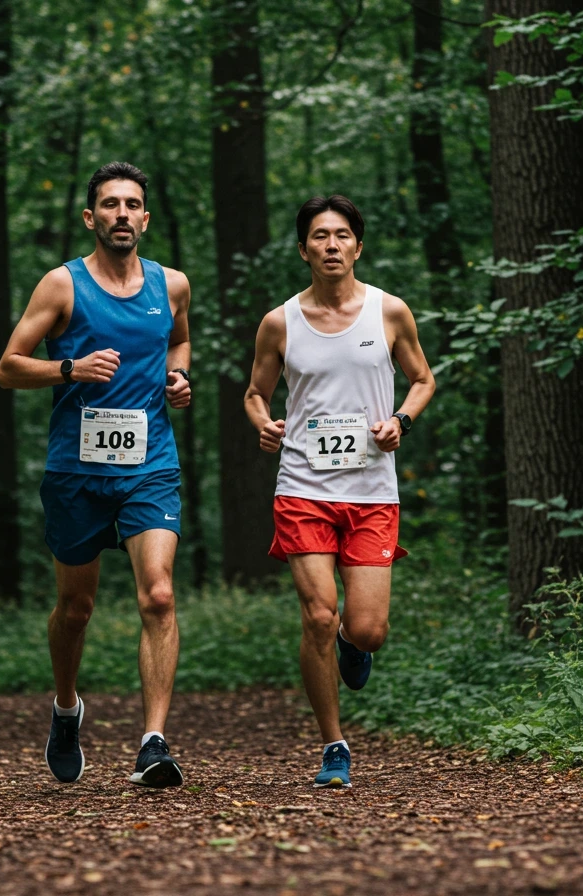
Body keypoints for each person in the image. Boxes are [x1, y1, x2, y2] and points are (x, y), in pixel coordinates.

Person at [0, 162, 191, 788]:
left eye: (132, 204)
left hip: (149, 465)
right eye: (109, 205)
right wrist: (68, 370)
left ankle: (154, 743)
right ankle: (65, 707)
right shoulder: (62, 285)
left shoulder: (173, 285)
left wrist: (177, 377)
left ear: (146, 217)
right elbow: (7, 367)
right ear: (91, 218)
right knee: (75, 609)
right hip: (76, 470)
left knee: (158, 594)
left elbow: (178, 341)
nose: (121, 215)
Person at [243, 195, 436, 789]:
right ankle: (334, 744)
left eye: (343, 235)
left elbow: (423, 381)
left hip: (372, 488)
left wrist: (400, 421)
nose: (332, 245)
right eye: (320, 236)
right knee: (320, 615)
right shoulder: (281, 322)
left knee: (367, 627)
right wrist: (264, 424)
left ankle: (356, 646)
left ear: (358, 245)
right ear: (303, 249)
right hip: (302, 486)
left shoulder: (390, 312)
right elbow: (255, 393)